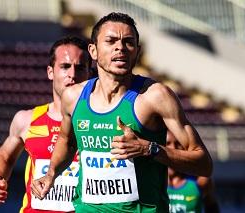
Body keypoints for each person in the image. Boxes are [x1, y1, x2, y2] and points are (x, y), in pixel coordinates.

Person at [31, 12, 213, 213]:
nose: (120, 47)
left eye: (128, 42)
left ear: (138, 51)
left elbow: (204, 164)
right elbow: (67, 141)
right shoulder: (73, 97)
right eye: (111, 41)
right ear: (93, 50)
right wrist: (51, 174)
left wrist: (149, 149)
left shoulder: (155, 96)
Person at [0, 36, 92, 212]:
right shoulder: (26, 119)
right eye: (65, 67)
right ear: (50, 72)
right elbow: (4, 155)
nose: (72, 75)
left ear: (89, 73)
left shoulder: (102, 121)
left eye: (80, 67)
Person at [167, 130, 220, 213]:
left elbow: (212, 207)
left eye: (178, 143)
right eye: (167, 143)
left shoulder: (201, 180)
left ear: (185, 147)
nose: (173, 148)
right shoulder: (153, 179)